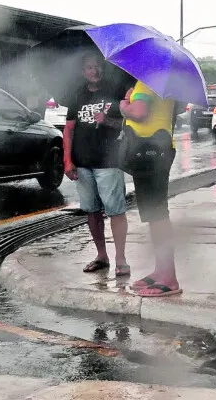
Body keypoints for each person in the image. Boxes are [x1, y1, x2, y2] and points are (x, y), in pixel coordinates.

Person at [63, 53, 129, 276]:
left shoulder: (115, 90)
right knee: (91, 211)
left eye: (98, 66)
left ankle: (121, 259)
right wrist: (67, 161)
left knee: (115, 210)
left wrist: (108, 120)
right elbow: (69, 129)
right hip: (83, 163)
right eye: (90, 67)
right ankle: (102, 256)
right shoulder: (78, 94)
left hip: (109, 162)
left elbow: (130, 122)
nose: (95, 71)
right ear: (83, 72)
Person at [118, 80, 181, 297]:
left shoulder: (148, 82)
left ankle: (169, 278)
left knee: (158, 215)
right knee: (154, 215)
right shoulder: (160, 83)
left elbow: (139, 112)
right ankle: (160, 271)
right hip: (154, 151)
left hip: (150, 152)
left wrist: (124, 105)